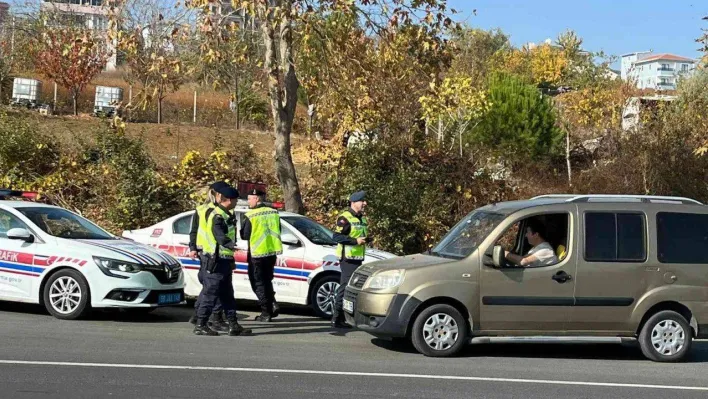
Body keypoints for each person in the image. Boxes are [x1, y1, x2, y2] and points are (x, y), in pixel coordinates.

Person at [194, 182, 251, 336]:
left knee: (227, 295)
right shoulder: (217, 215)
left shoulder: (226, 214)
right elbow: (219, 235)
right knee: (210, 293)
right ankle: (200, 324)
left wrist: (231, 258)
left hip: (224, 260)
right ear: (228, 200)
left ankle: (233, 324)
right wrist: (231, 246)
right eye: (236, 200)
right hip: (215, 260)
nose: (237, 203)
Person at [188, 182, 226, 331]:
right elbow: (195, 230)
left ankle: (198, 315)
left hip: (206, 251)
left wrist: (193, 247)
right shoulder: (212, 211)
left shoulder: (204, 209)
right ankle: (214, 317)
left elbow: (194, 231)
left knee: (209, 286)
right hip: (211, 252)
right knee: (214, 286)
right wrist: (192, 247)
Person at [240, 189, 282, 322]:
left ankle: (266, 312)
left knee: (258, 283)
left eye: (250, 198)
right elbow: (278, 230)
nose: (248, 201)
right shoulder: (274, 212)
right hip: (271, 252)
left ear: (257, 199)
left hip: (257, 254)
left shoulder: (250, 215)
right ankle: (272, 304)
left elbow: (245, 235)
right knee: (267, 281)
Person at [330, 190, 369, 329]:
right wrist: (355, 241)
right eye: (362, 201)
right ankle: (336, 318)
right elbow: (336, 237)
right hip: (347, 258)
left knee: (350, 288)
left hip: (357, 258)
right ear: (353, 202)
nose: (365, 203)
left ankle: (344, 317)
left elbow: (361, 235)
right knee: (345, 287)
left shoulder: (362, 218)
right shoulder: (345, 217)